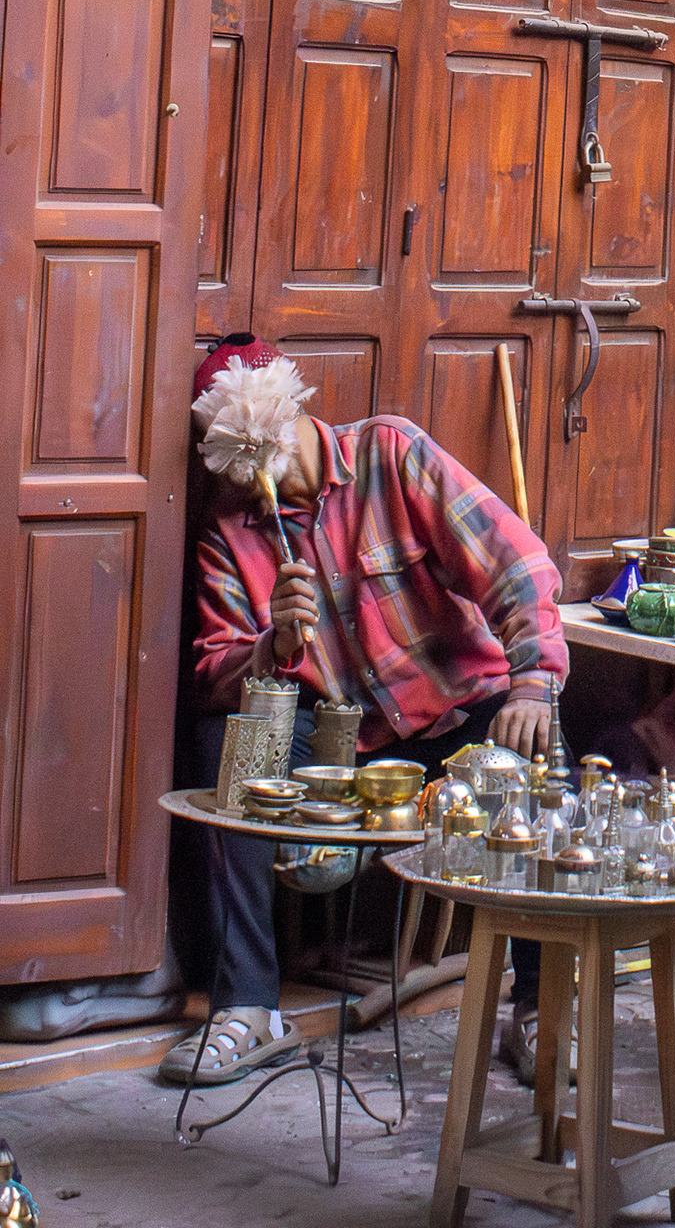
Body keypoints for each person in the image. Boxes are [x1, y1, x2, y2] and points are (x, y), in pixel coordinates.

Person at [163, 339, 566, 1088]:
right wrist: (273, 645)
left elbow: (518, 563)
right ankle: (247, 1007)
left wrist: (533, 682)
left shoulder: (390, 454)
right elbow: (214, 670)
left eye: (261, 441)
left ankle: (540, 1007)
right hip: (342, 744)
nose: (255, 472)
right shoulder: (232, 527)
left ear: (291, 410)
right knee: (227, 742)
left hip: (457, 715)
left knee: (536, 750)